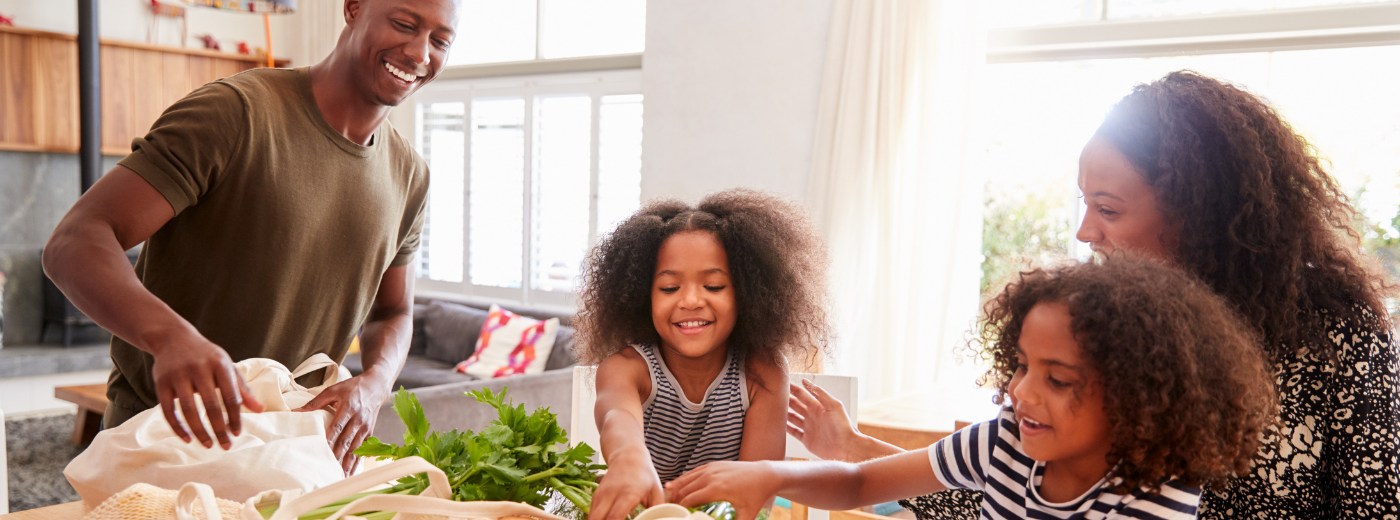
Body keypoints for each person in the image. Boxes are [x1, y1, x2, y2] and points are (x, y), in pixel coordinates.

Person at [790, 70, 1400, 518]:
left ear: (1199, 214)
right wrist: (856, 458)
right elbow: (1013, 498)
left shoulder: (1336, 335)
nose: (1085, 233)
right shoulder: (1108, 338)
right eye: (1085, 204)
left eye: (1107, 208)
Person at [41, 0, 459, 475]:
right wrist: (170, 338)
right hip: (165, 446)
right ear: (354, 8)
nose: (420, 52)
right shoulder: (236, 113)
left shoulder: (410, 175)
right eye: (404, 24)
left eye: (441, 41)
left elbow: (393, 311)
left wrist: (376, 383)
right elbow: (74, 242)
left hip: (293, 457)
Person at [670, 256, 1277, 520]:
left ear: (1139, 398)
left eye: (1058, 380)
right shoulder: (1004, 442)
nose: (1022, 394)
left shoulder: (1150, 499)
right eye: (1020, 367)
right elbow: (860, 481)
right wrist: (771, 476)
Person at [575, 189, 831, 520]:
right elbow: (616, 417)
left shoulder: (761, 372)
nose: (692, 301)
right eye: (669, 288)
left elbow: (754, 496)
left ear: (748, 294)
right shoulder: (627, 369)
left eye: (713, 286)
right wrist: (628, 457)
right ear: (642, 295)